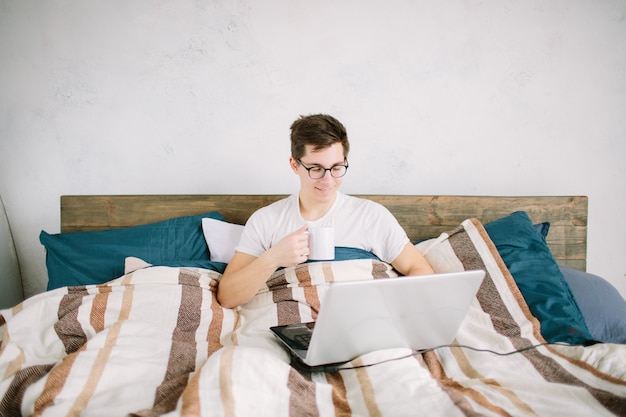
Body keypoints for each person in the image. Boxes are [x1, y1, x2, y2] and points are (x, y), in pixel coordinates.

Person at [217, 114, 434, 308]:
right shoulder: (266, 220)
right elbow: (227, 296)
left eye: (337, 168)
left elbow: (421, 271)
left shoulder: (370, 216)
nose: (328, 180)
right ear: (295, 165)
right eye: (316, 169)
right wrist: (274, 258)